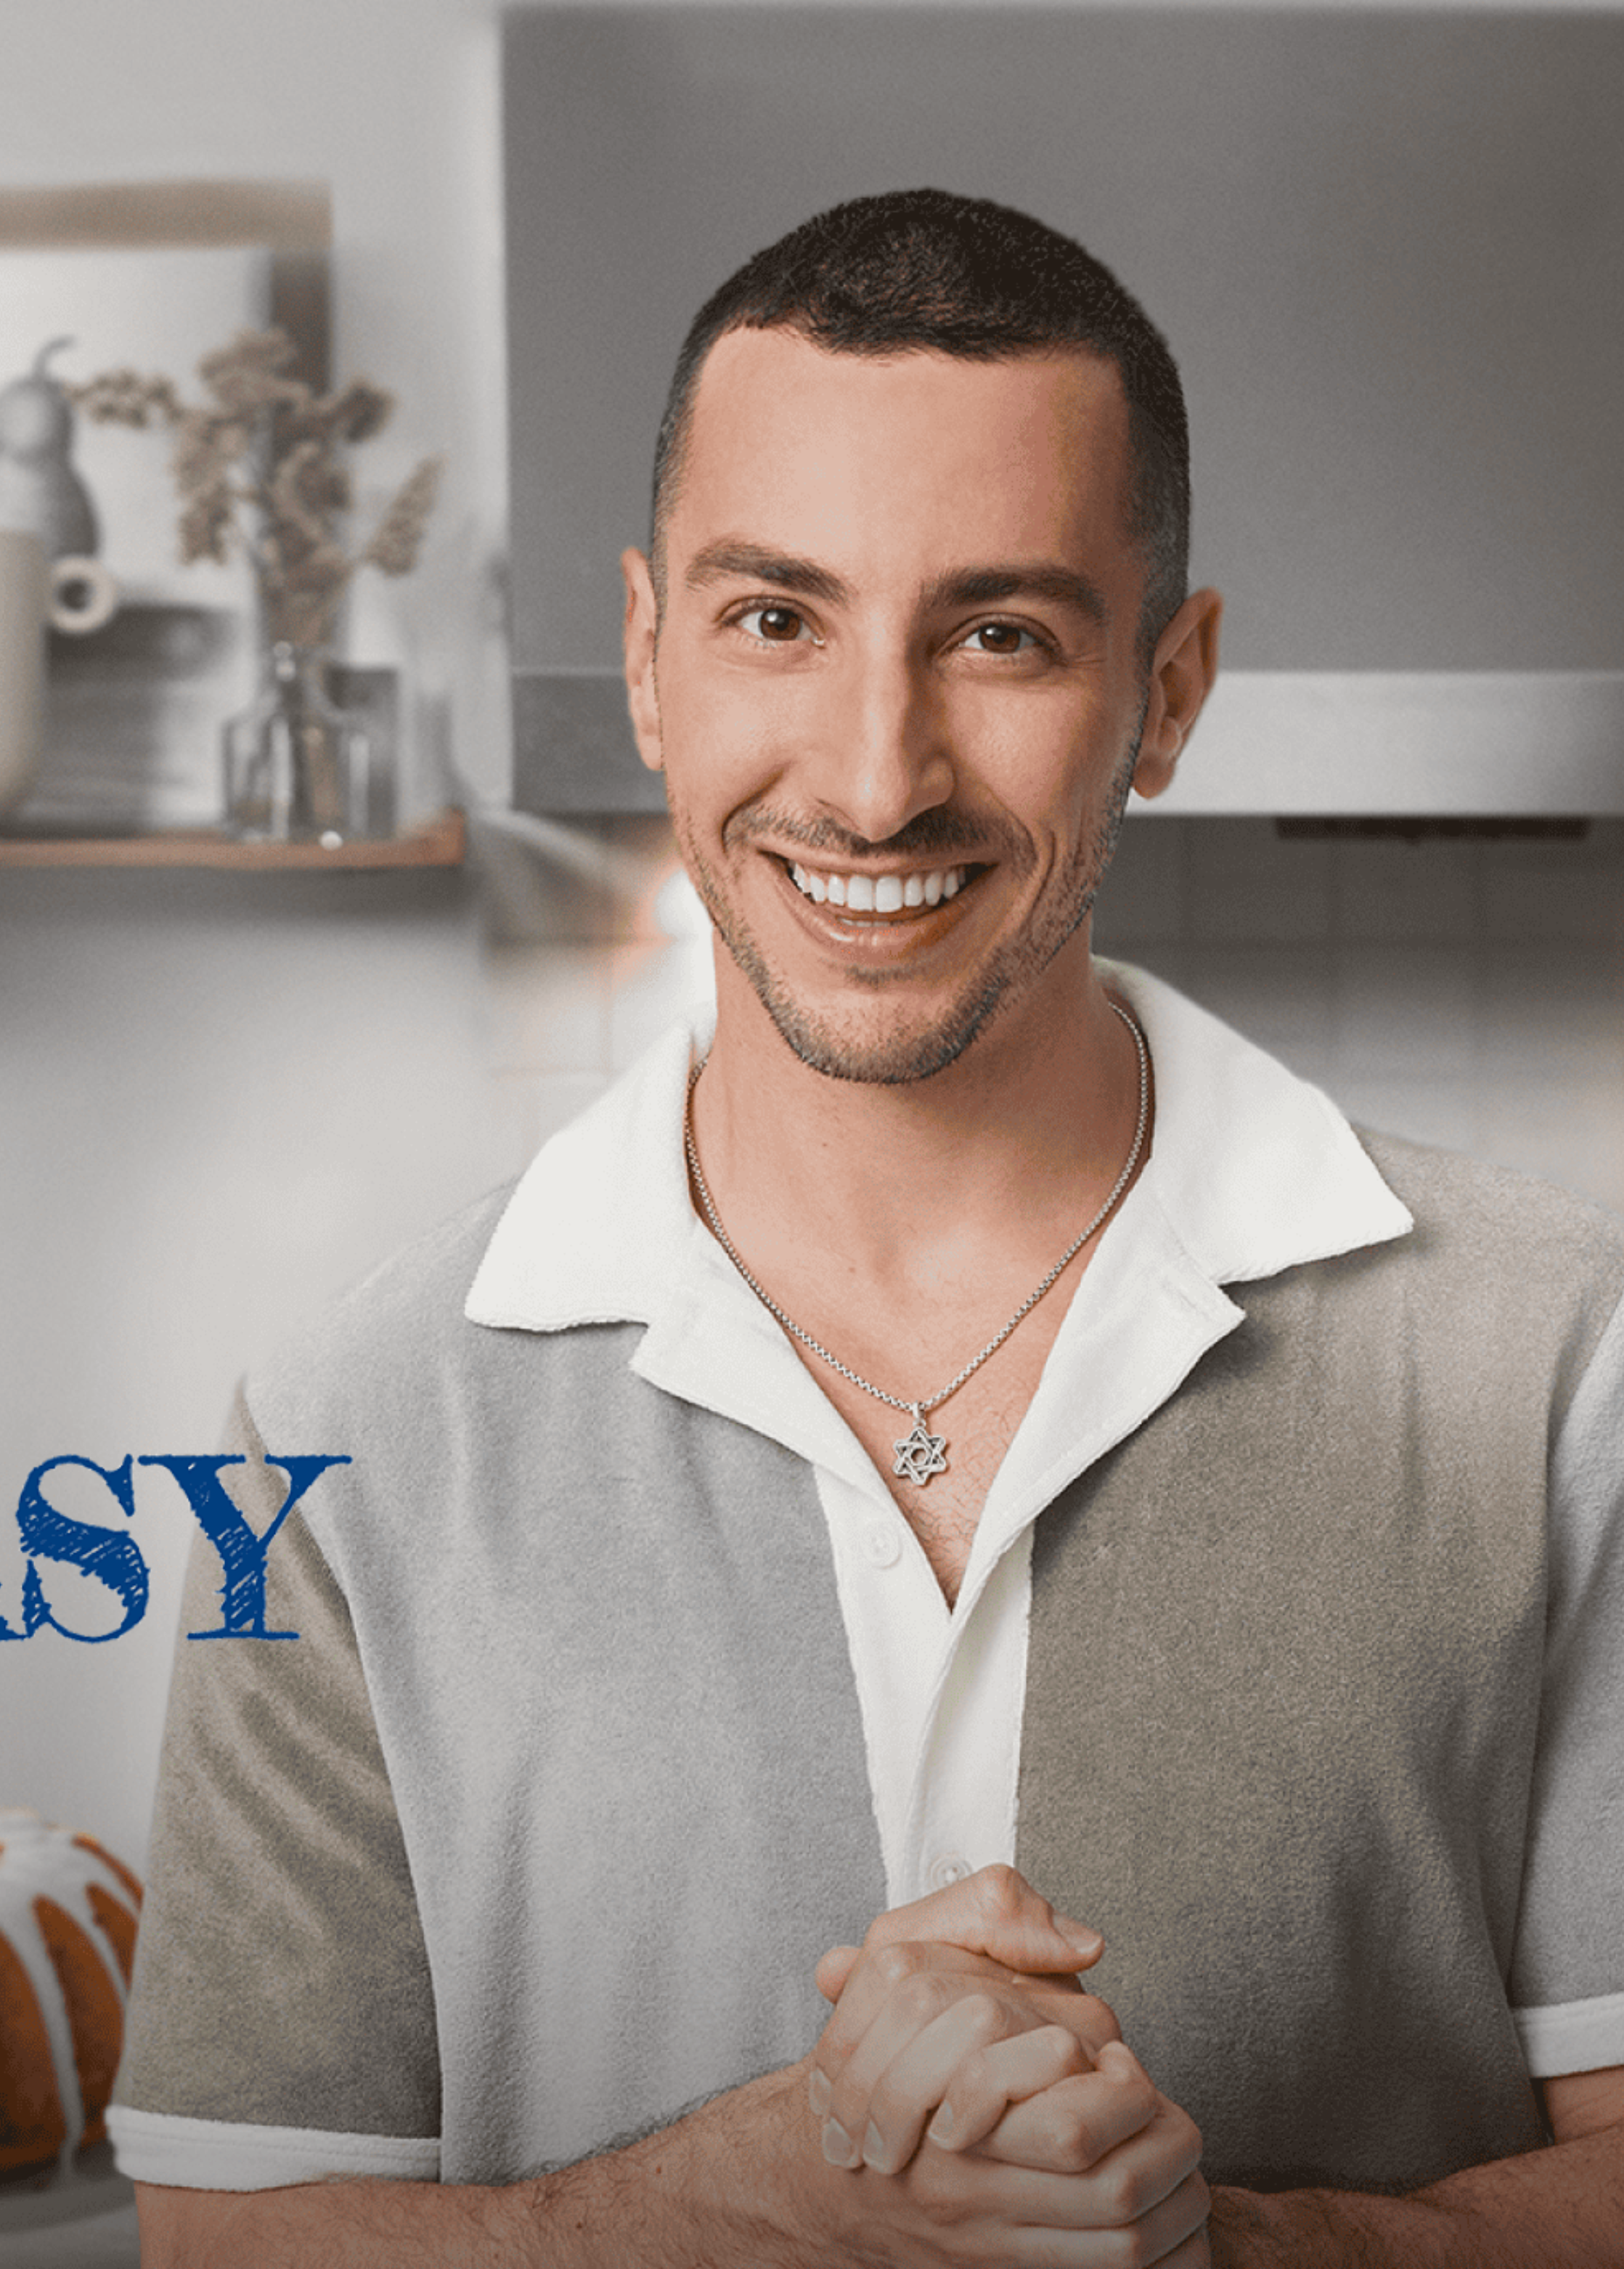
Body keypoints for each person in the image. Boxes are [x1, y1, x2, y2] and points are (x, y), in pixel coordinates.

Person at [107, 188, 1624, 2264]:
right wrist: (743, 2206)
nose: (877, 773)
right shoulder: (339, 1431)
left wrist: (1233, 2248)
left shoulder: (1554, 1363)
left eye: (1000, 634)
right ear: (649, 657)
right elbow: (224, 2240)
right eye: (775, 619)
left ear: (1168, 689)